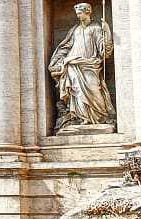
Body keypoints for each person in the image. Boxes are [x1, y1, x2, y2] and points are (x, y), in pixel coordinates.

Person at [48, 2, 115, 133]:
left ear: (88, 11)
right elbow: (66, 46)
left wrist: (106, 31)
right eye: (77, 14)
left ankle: (99, 117)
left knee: (95, 90)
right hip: (73, 65)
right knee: (76, 92)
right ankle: (81, 118)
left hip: (90, 65)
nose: (78, 16)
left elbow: (104, 50)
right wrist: (58, 60)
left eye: (80, 13)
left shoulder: (96, 28)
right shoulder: (75, 30)